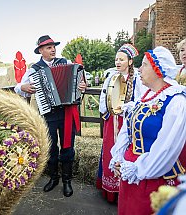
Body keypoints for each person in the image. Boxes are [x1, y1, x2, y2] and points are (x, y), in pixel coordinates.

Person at [109, 46, 186, 215]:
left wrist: (138, 169)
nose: (139, 69)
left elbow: (167, 147)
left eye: (144, 65)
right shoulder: (146, 96)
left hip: (152, 177)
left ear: (158, 69)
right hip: (129, 173)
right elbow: (127, 129)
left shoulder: (176, 101)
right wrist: (118, 156)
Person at [14, 35, 86, 197]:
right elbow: (18, 87)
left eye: (54, 46)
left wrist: (83, 85)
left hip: (66, 112)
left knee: (68, 148)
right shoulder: (34, 69)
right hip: (48, 114)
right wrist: (23, 87)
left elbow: (81, 79)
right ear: (41, 51)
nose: (53, 49)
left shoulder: (66, 63)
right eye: (48, 47)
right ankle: (54, 178)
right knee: (51, 148)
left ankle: (67, 181)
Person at [96, 43, 146, 202]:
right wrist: (108, 112)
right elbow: (104, 98)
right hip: (113, 121)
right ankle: (111, 192)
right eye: (116, 59)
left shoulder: (138, 78)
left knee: (127, 152)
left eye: (122, 60)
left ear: (130, 62)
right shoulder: (111, 76)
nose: (117, 62)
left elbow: (141, 99)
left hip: (129, 122)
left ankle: (126, 189)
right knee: (111, 150)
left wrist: (129, 110)